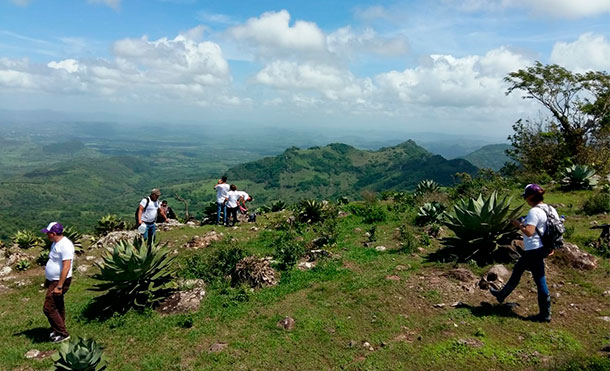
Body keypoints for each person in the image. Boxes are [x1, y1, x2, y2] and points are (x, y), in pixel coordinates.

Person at [490, 184, 558, 322]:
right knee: (519, 269)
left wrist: (518, 225)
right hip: (544, 248)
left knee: (539, 279)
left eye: (526, 197)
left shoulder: (534, 212)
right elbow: (554, 230)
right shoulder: (551, 209)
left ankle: (545, 314)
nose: (525, 200)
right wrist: (551, 247)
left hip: (534, 249)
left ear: (530, 197)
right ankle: (502, 294)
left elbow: (529, 232)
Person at [41, 222, 74, 343]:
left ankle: (62, 333)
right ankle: (57, 329)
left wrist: (60, 286)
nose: (46, 236)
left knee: (48, 308)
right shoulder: (55, 243)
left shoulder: (65, 245)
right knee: (58, 305)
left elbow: (66, 266)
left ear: (53, 233)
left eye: (48, 233)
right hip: (53, 280)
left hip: (59, 281)